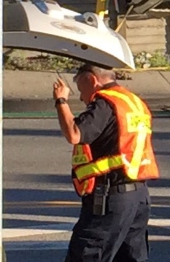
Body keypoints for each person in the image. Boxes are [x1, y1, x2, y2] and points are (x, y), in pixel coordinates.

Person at [53, 63, 159, 262]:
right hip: (138, 196)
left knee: (88, 254)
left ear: (91, 79)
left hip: (111, 197)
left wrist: (61, 101)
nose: (82, 97)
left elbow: (74, 134)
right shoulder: (133, 101)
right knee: (131, 257)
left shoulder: (105, 103)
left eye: (80, 88)